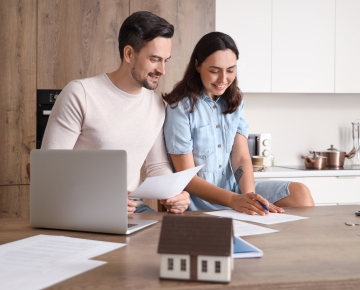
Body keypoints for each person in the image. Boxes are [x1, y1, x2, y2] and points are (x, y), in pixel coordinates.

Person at [41, 11, 190, 214]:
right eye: (155, 59)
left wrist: (175, 193)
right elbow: (49, 169)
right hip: (82, 208)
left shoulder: (156, 104)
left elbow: (157, 167)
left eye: (166, 60)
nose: (162, 70)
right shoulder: (81, 94)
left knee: (171, 239)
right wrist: (102, 199)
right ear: (129, 54)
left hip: (133, 210)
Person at [163, 32, 314, 216]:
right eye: (214, 70)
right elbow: (186, 178)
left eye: (230, 70)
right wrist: (234, 200)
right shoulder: (180, 107)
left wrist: (250, 197)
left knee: (301, 195)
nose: (223, 79)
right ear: (197, 65)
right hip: (202, 201)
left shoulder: (235, 100)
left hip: (237, 192)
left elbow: (241, 157)